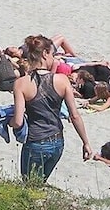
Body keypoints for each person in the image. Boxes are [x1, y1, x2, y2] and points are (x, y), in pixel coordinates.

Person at [10, 35, 92, 181]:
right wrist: (86, 143)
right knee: (40, 182)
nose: (53, 59)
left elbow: (17, 121)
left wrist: (6, 122)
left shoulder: (21, 84)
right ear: (45, 53)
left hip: (35, 142)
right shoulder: (62, 80)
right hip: (57, 142)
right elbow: (74, 116)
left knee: (29, 185)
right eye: (52, 55)